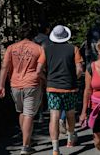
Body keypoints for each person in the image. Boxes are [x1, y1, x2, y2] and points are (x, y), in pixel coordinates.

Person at [0, 23, 43, 155]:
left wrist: (1, 85)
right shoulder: (38, 49)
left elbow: (5, 67)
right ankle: (25, 146)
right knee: (28, 114)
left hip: (15, 84)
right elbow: (40, 69)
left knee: (22, 112)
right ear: (33, 35)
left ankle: (26, 139)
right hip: (32, 83)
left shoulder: (11, 48)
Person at [38, 25, 83, 155]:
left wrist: (47, 80)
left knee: (54, 116)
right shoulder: (73, 49)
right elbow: (79, 69)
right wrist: (74, 78)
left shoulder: (46, 50)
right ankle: (70, 139)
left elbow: (38, 70)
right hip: (70, 87)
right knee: (70, 114)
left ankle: (55, 149)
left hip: (52, 87)